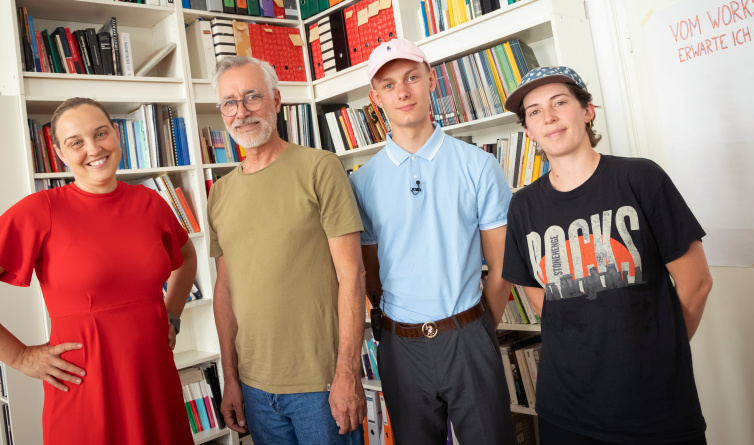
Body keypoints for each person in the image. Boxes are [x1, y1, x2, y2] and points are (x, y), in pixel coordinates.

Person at [501, 66, 714, 445]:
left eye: (560, 102)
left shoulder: (641, 179)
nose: (548, 117)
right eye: (534, 112)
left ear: (587, 110)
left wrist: (659, 355)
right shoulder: (523, 206)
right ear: (528, 131)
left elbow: (696, 284)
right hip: (564, 410)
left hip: (655, 409)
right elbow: (536, 290)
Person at [0, 98, 197, 445]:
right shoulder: (40, 210)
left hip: (154, 381)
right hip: (84, 389)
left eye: (101, 133)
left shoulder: (150, 203)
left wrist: (173, 314)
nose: (93, 148)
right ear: (60, 153)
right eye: (76, 142)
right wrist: (19, 357)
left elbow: (185, 254)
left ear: (116, 135)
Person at [349, 39, 515, 445]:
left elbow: (502, 266)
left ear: (432, 81)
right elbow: (372, 277)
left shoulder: (478, 164)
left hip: (468, 334)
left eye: (412, 78)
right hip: (400, 347)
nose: (402, 92)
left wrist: (475, 331)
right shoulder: (362, 181)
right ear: (376, 99)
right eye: (389, 85)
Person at [207, 56, 366, 445]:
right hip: (254, 388)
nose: (241, 112)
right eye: (229, 102)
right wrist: (231, 379)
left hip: (320, 383)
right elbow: (224, 292)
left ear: (277, 100)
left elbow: (352, 275)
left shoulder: (320, 168)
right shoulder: (220, 193)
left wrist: (347, 371)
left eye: (251, 97)